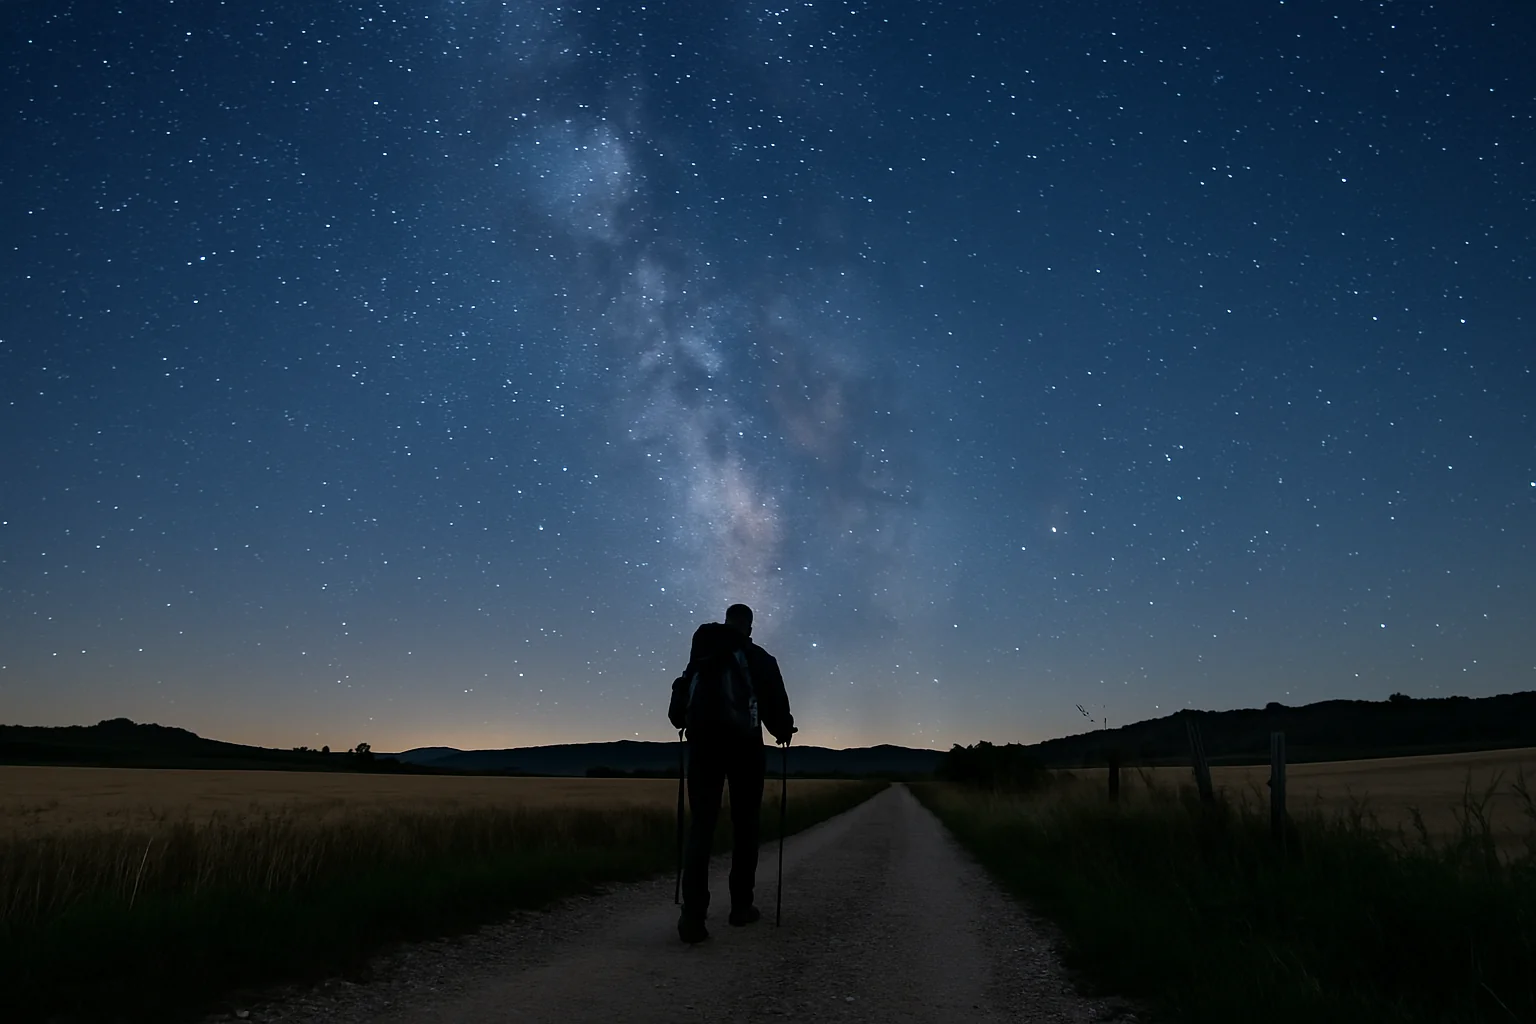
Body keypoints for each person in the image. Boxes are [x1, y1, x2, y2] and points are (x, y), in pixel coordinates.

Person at [668, 602, 795, 944]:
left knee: (701, 827)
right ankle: (741, 907)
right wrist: (784, 730)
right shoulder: (760, 658)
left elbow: (677, 714)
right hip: (746, 748)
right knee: (746, 825)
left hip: (703, 748)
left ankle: (693, 916)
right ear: (749, 628)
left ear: (726, 623)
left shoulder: (702, 655)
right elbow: (775, 709)